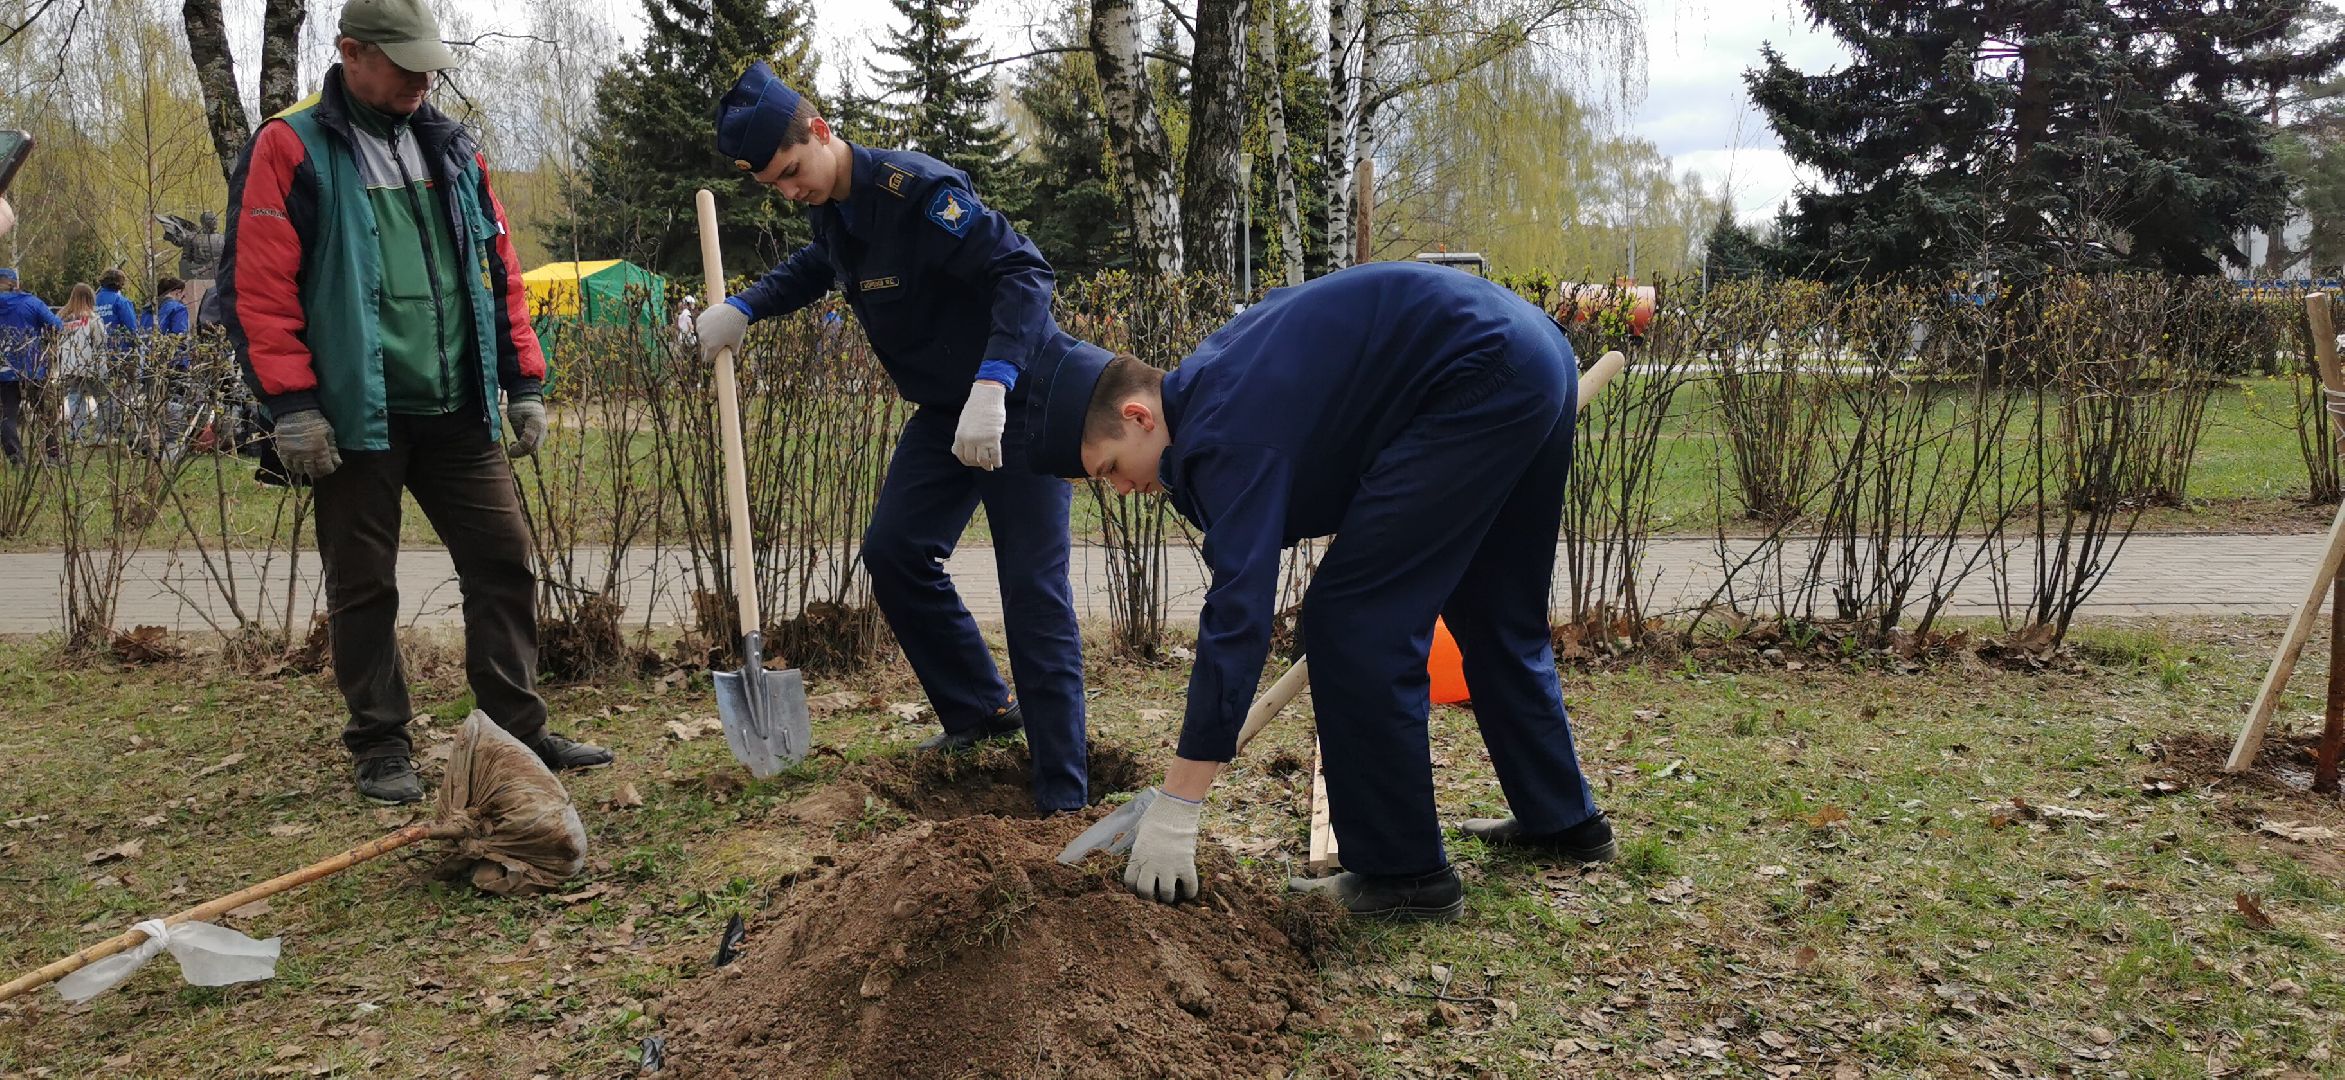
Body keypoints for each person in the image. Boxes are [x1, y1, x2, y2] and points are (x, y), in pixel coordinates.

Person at [1024, 261, 1617, 921]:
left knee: (1354, 618)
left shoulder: (1224, 430)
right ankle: (1564, 821)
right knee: (1494, 610)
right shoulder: (1216, 389)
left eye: (1109, 468)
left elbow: (1237, 615)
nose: (1123, 488)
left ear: (1136, 415)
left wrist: (1180, 799)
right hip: (1531, 353)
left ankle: (1404, 876)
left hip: (1483, 368)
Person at [217, 0, 611, 805]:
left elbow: (498, 269)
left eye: (428, 64)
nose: (421, 79)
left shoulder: (454, 146)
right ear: (351, 52)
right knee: (364, 584)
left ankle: (516, 731)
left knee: (503, 562)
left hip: (457, 407)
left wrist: (523, 379)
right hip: (354, 415)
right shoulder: (290, 146)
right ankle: (379, 743)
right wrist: (291, 404)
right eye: (402, 64)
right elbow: (257, 289)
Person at [697, 62, 1087, 812]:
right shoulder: (836, 212)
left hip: (1019, 402)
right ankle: (980, 710)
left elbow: (1023, 274)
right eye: (773, 184)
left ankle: (1062, 791)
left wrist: (995, 380)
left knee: (1032, 593)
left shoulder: (918, 193)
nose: (788, 190)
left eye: (790, 171)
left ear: (819, 130)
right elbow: (821, 266)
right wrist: (746, 307)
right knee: (896, 551)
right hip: (946, 411)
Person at [0, 268, 61, 464]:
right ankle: (53, 455)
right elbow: (56, 326)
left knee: (6, 415)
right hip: (33, 368)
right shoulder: (31, 302)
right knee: (47, 413)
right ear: (15, 283)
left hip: (3, 370)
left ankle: (16, 458)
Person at [52, 283, 107, 445]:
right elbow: (100, 341)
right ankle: (100, 433)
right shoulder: (92, 318)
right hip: (91, 365)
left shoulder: (62, 317)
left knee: (75, 398)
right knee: (103, 399)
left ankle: (77, 434)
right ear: (90, 299)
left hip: (69, 366)